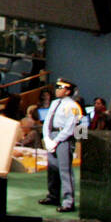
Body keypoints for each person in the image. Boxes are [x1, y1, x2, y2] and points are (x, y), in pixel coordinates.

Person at [40, 79, 83, 213]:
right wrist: (47, 138)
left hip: (63, 139)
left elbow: (70, 127)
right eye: (57, 87)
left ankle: (68, 202)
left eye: (61, 88)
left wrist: (56, 141)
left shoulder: (73, 106)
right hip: (52, 136)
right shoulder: (54, 103)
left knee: (65, 171)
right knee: (52, 169)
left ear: (68, 91)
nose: (57, 90)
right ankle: (53, 196)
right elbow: (47, 121)